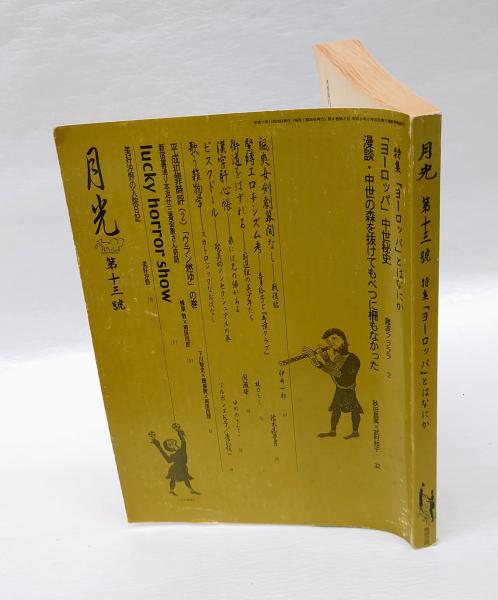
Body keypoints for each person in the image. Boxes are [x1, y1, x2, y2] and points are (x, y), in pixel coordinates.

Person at [303, 328, 363, 439]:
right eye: (329, 341)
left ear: (343, 339)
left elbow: (338, 373)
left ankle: (355, 432)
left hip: (348, 388)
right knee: (336, 408)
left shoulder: (353, 359)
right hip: (340, 387)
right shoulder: (338, 358)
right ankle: (333, 431)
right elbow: (333, 370)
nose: (332, 343)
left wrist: (323, 361)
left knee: (354, 409)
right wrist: (320, 362)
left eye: (335, 339)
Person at [149, 424, 200, 495]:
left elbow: (183, 441)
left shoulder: (182, 449)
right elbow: (167, 459)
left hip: (183, 467)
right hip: (175, 468)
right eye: (169, 443)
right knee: (173, 478)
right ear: (170, 447)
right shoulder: (173, 455)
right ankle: (171, 491)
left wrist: (178, 431)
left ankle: (191, 490)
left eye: (169, 441)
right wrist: (158, 445)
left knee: (185, 478)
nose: (170, 442)